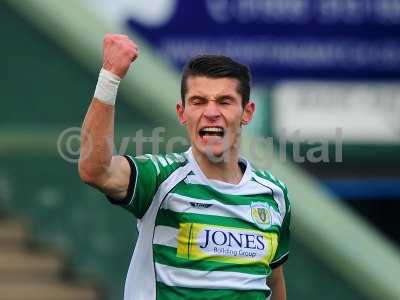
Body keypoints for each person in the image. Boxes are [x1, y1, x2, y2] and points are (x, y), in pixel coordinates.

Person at [79, 33, 291, 300]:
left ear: (247, 112)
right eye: (198, 101)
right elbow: (95, 170)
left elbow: (273, 282)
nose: (211, 112)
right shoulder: (159, 178)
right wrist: (110, 77)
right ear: (182, 113)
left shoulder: (274, 194)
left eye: (224, 101)